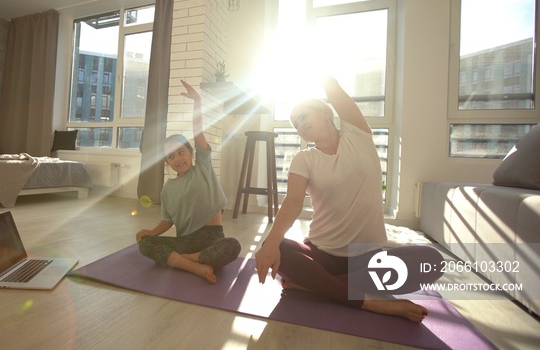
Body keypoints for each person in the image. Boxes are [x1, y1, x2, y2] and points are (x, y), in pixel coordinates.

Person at [254, 74, 443, 322]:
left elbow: (333, 89)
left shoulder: (359, 136)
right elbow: (293, 201)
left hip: (368, 257)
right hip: (321, 254)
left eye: (303, 116)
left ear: (325, 113)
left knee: (431, 261)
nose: (299, 124)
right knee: (277, 246)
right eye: (294, 124)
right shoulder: (304, 159)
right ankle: (371, 302)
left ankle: (315, 286)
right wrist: (269, 243)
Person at [136, 79, 241, 284]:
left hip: (212, 238)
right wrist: (150, 232)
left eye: (181, 152)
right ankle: (197, 267)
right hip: (185, 241)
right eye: (171, 157)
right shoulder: (167, 189)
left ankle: (182, 262)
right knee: (146, 244)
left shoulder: (202, 168)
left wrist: (197, 102)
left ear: (191, 153)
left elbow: (197, 132)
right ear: (166, 162)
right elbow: (168, 220)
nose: (177, 159)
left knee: (233, 246)